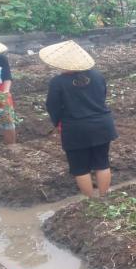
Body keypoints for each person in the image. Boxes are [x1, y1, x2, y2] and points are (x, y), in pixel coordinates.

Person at [43, 40, 117, 198]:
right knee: (102, 163)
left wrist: (57, 123)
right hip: (102, 125)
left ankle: (90, 202)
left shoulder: (58, 82)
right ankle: (104, 197)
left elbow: (52, 106)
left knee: (80, 168)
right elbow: (102, 96)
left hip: (76, 129)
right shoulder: (97, 75)